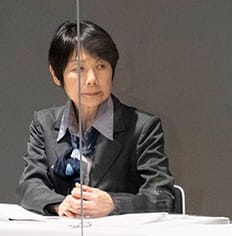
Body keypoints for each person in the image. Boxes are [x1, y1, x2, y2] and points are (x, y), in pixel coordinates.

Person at [18, 20, 177, 217]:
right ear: (56, 74)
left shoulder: (142, 127)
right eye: (79, 69)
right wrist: (60, 205)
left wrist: (113, 203)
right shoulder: (44, 123)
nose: (92, 78)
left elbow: (162, 196)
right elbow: (30, 185)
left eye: (101, 66)